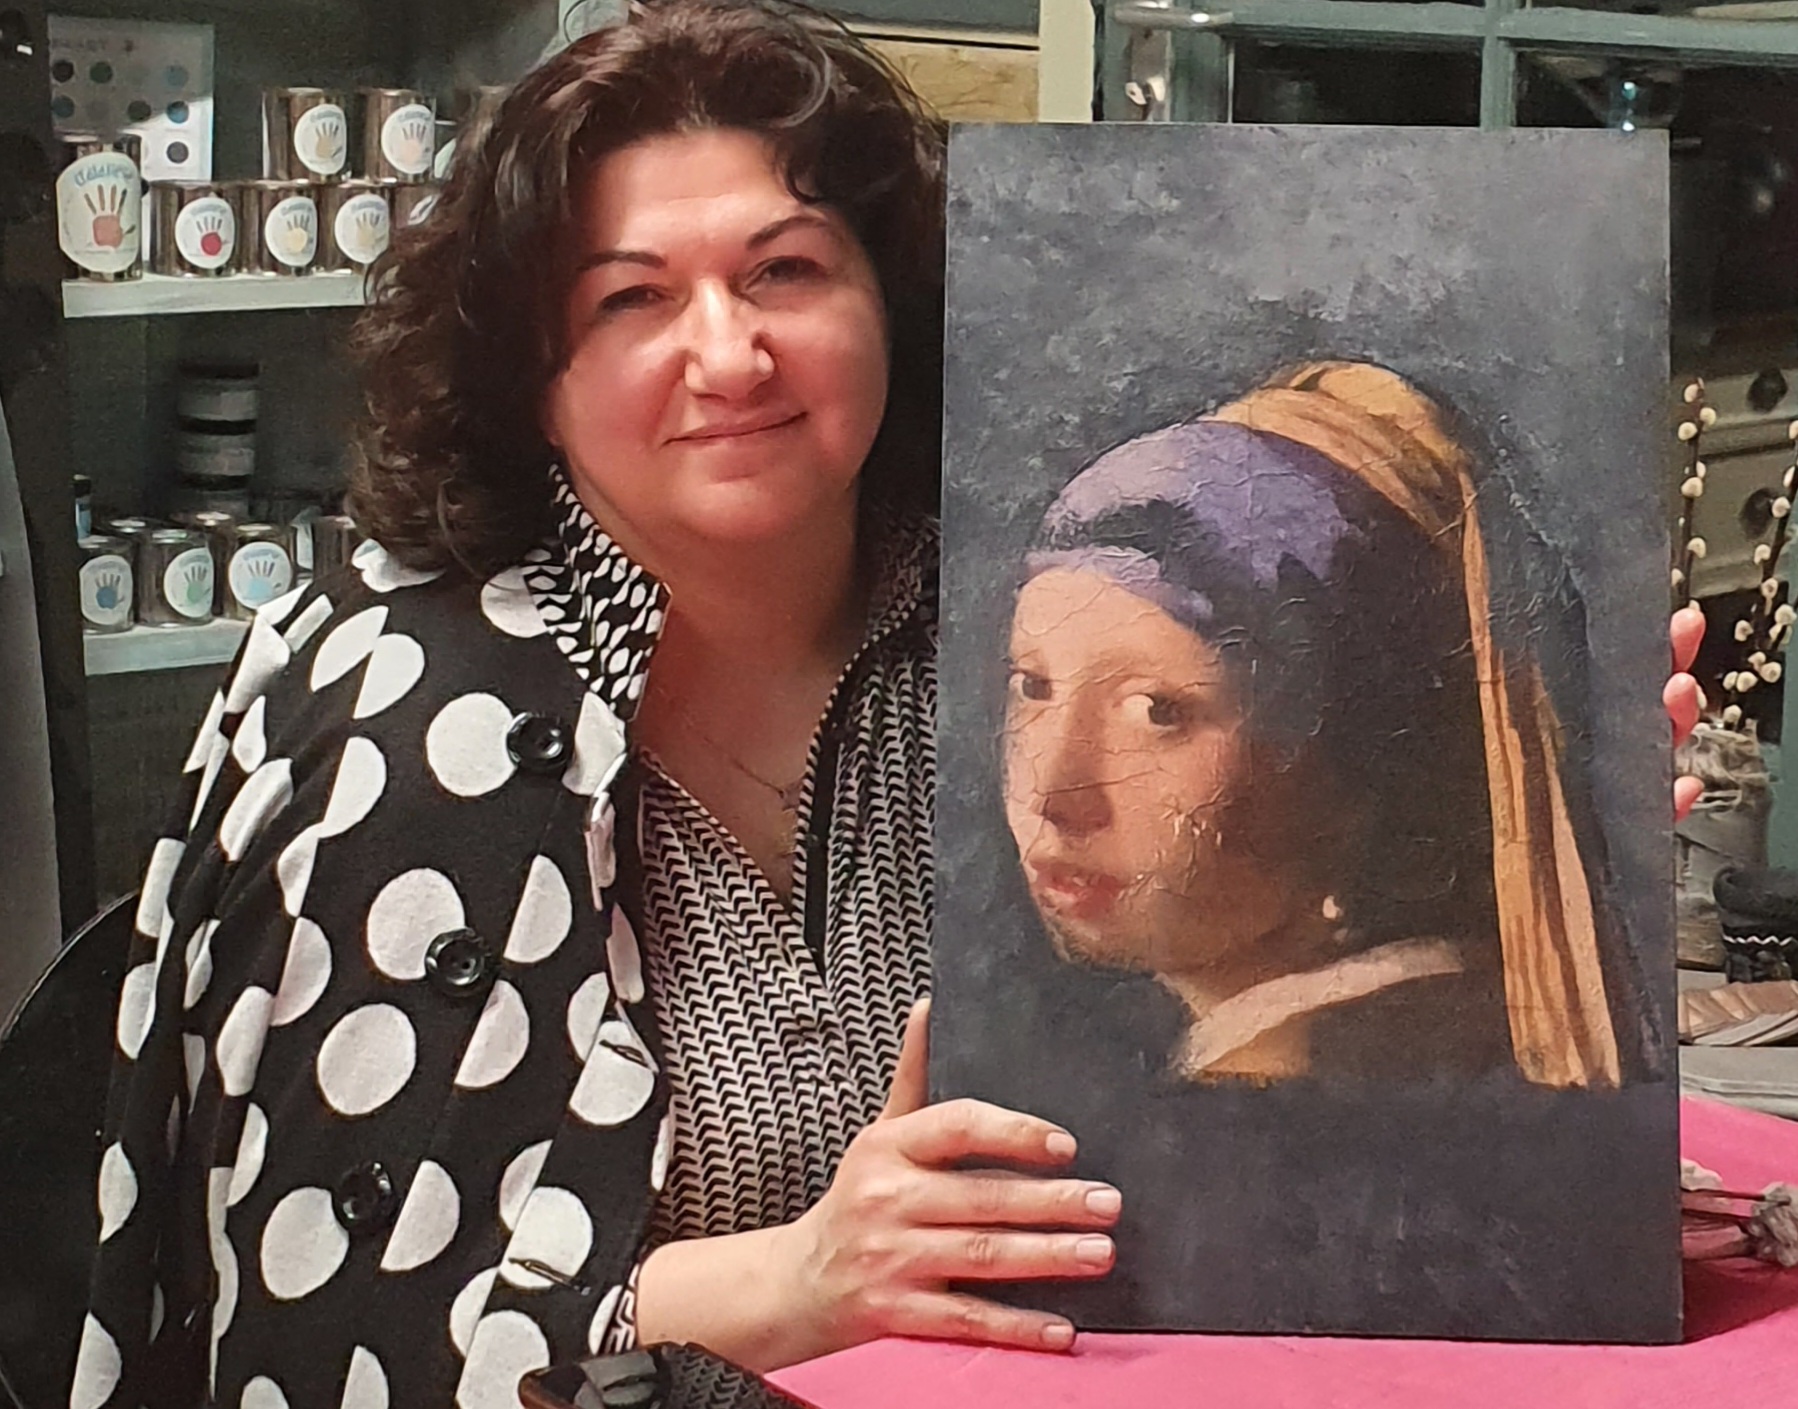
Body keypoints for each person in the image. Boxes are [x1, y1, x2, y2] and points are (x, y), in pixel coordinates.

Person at [71, 5, 1706, 1407]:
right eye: (632, 297)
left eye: (784, 270)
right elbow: (330, 1331)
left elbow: (1289, 1095)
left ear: (888, 299)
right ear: (533, 372)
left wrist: (1545, 811)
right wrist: (792, 1280)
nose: (727, 353)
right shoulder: (397, 705)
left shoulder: (1002, 617)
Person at [1003, 362, 1658, 1088]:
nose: (1053, 792)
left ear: (1354, 756)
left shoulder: (1283, 1089)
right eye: (1033, 687)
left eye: (1158, 710)